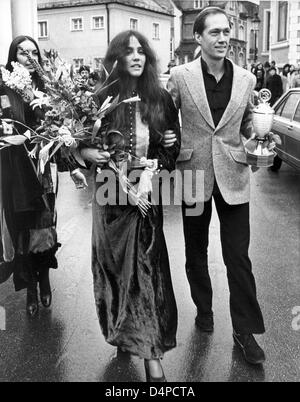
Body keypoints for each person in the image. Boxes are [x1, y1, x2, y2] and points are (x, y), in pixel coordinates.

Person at [165, 6, 279, 365]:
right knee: (195, 253)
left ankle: (245, 332)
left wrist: (260, 137)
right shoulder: (180, 76)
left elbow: (247, 125)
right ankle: (204, 308)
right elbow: (166, 117)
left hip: (233, 175)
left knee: (238, 257)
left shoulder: (246, 79)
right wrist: (166, 138)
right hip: (193, 174)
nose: (223, 38)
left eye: (226, 31)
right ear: (197, 38)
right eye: (214, 32)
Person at [79, 30, 180, 382]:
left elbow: (171, 150)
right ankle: (125, 332)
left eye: (142, 52)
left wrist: (155, 165)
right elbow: (73, 146)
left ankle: (152, 355)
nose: (136, 57)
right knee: (114, 274)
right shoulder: (100, 99)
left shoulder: (161, 99)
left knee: (146, 274)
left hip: (144, 203)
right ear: (117, 59)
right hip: (109, 205)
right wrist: (85, 152)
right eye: (129, 51)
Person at [0, 36, 84, 316]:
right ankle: (31, 289)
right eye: (22, 52)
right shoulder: (4, 87)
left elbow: (58, 132)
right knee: (22, 229)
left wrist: (72, 167)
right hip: (14, 169)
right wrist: (13, 135)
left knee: (44, 227)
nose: (28, 56)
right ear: (14, 56)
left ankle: (45, 277)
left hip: (42, 169)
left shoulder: (48, 90)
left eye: (33, 52)